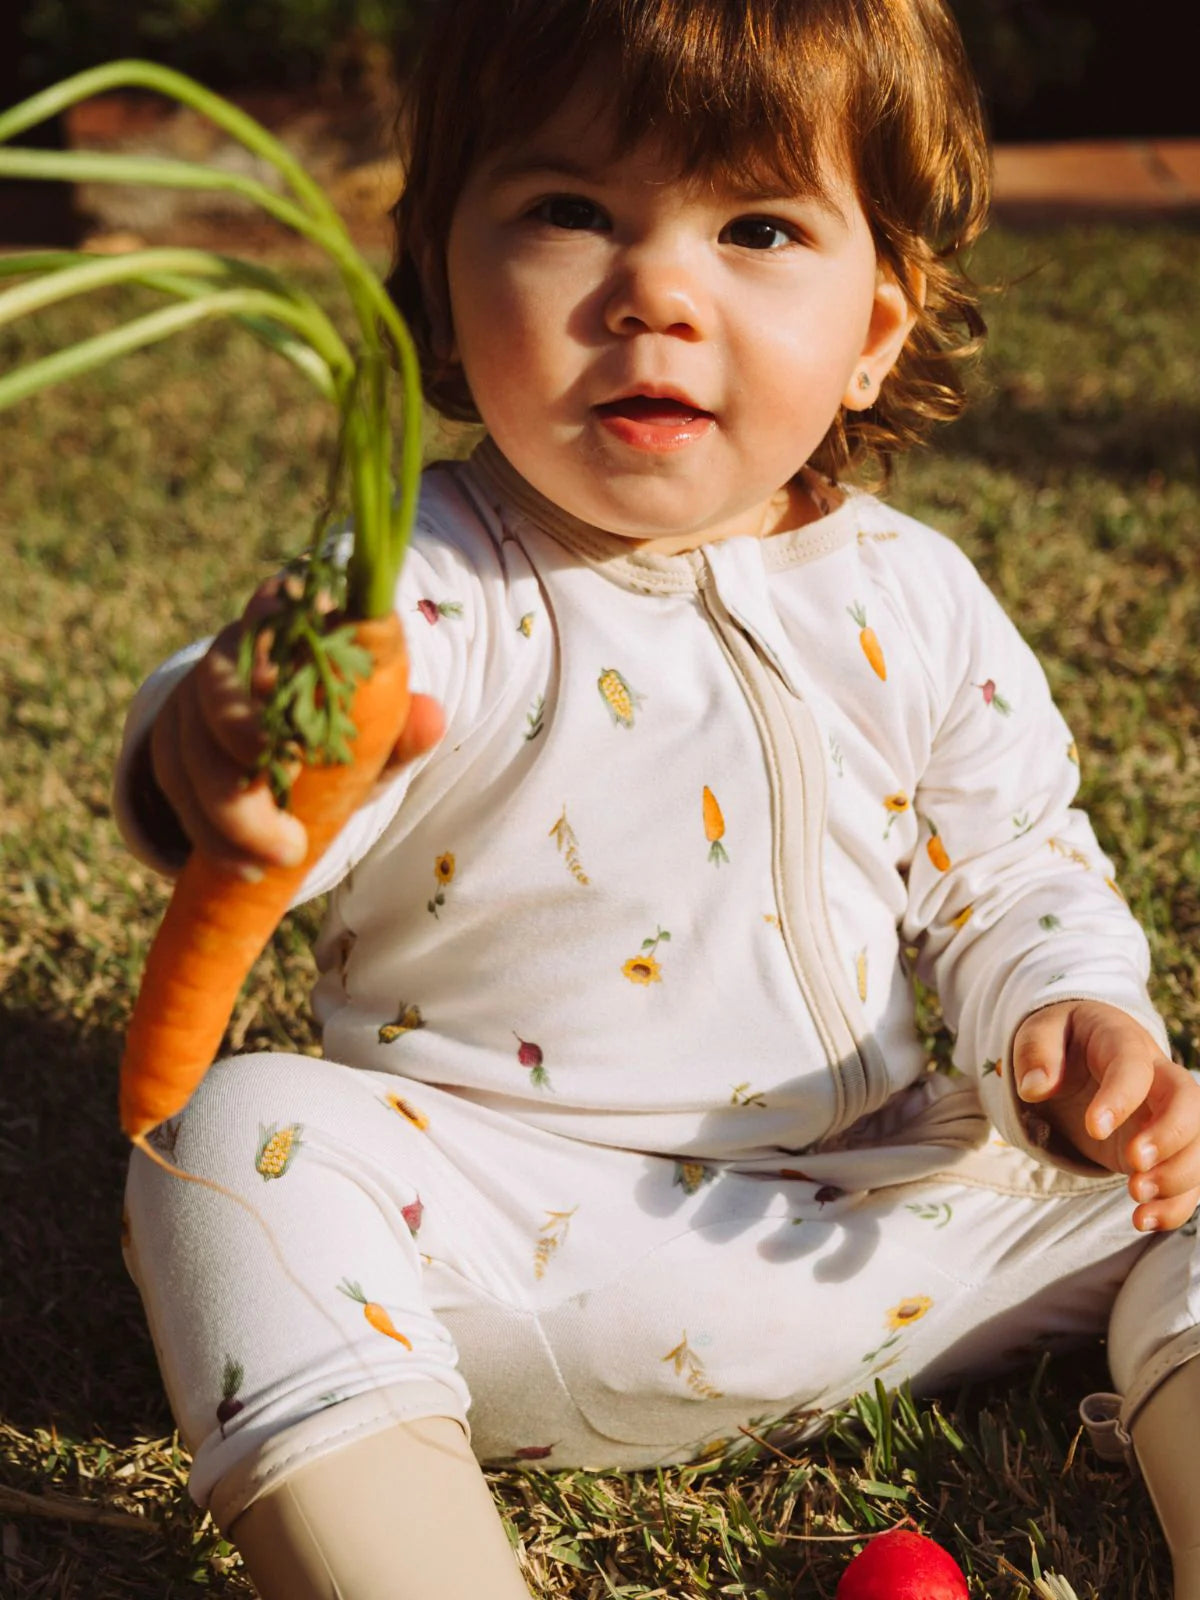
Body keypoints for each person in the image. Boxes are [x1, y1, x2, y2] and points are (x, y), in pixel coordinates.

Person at [113, 1, 1200, 1595]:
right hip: (510, 1243)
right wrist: (217, 751)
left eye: (758, 227)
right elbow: (285, 707)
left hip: (882, 1223)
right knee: (238, 1144)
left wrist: (1071, 1012)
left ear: (877, 328)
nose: (657, 293)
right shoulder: (434, 575)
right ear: (441, 267)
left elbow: (1011, 864)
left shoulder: (912, 592)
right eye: (570, 212)